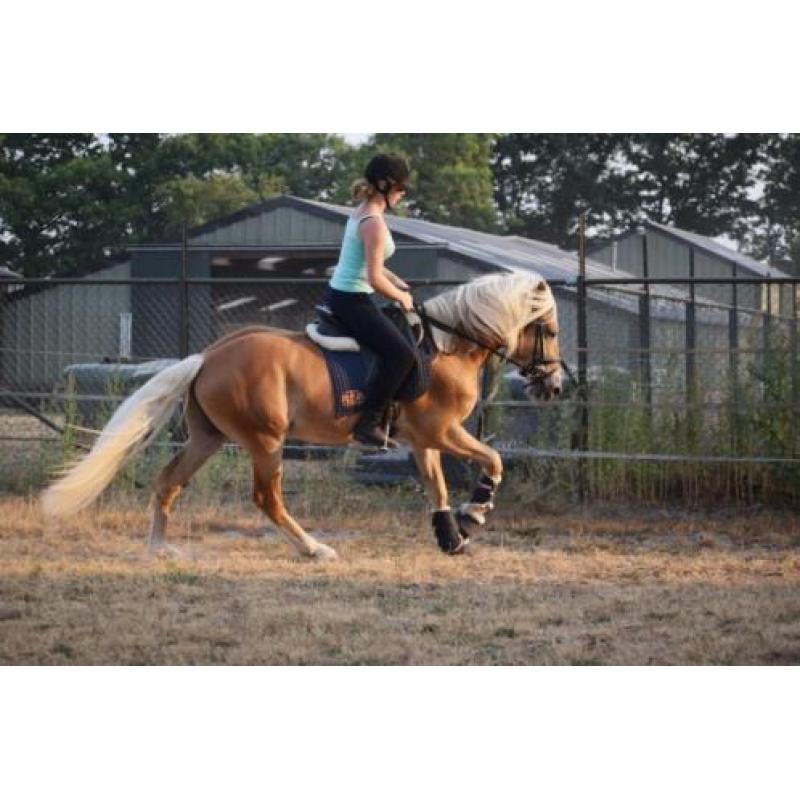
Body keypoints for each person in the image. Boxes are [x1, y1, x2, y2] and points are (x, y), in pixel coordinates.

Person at [325, 154, 417, 448]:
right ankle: (369, 423)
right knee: (402, 355)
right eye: (401, 188)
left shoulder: (362, 213)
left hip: (344, 293)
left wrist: (397, 281)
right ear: (384, 185)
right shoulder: (374, 224)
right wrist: (401, 296)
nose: (403, 194)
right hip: (353, 299)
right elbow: (374, 279)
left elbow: (371, 262)